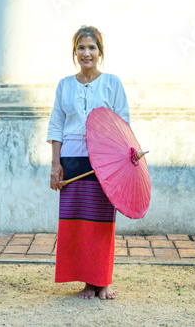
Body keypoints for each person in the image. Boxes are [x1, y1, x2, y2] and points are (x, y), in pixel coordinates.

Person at [46, 26, 130, 300]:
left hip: (103, 162)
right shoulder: (64, 85)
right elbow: (57, 125)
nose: (86, 53)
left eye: (92, 47)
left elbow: (123, 124)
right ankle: (86, 282)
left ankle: (102, 280)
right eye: (81, 48)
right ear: (75, 53)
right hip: (72, 159)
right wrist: (55, 164)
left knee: (101, 223)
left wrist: (120, 163)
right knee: (77, 223)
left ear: (100, 52)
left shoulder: (112, 83)